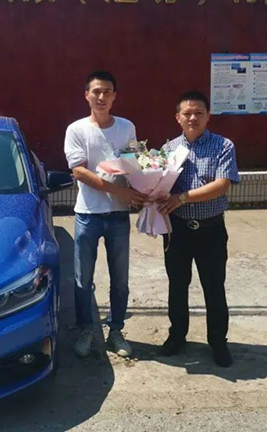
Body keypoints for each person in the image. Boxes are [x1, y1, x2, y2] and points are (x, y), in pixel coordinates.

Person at [64, 71, 147, 358]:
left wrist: (144, 189)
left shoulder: (126, 127)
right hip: (88, 214)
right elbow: (79, 171)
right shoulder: (76, 129)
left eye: (107, 92)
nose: (101, 97)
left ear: (114, 97)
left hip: (118, 216)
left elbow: (133, 163)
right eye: (96, 91)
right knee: (82, 279)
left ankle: (116, 331)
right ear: (86, 95)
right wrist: (119, 191)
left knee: (120, 279)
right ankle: (86, 330)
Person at [155, 90, 239, 367]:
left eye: (198, 113)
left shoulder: (223, 146)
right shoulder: (169, 149)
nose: (193, 118)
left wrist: (182, 198)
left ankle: (218, 342)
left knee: (213, 287)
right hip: (177, 230)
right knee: (177, 285)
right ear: (177, 117)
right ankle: (177, 336)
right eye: (187, 113)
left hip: (210, 230)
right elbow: (160, 184)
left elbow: (222, 184)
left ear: (207, 116)